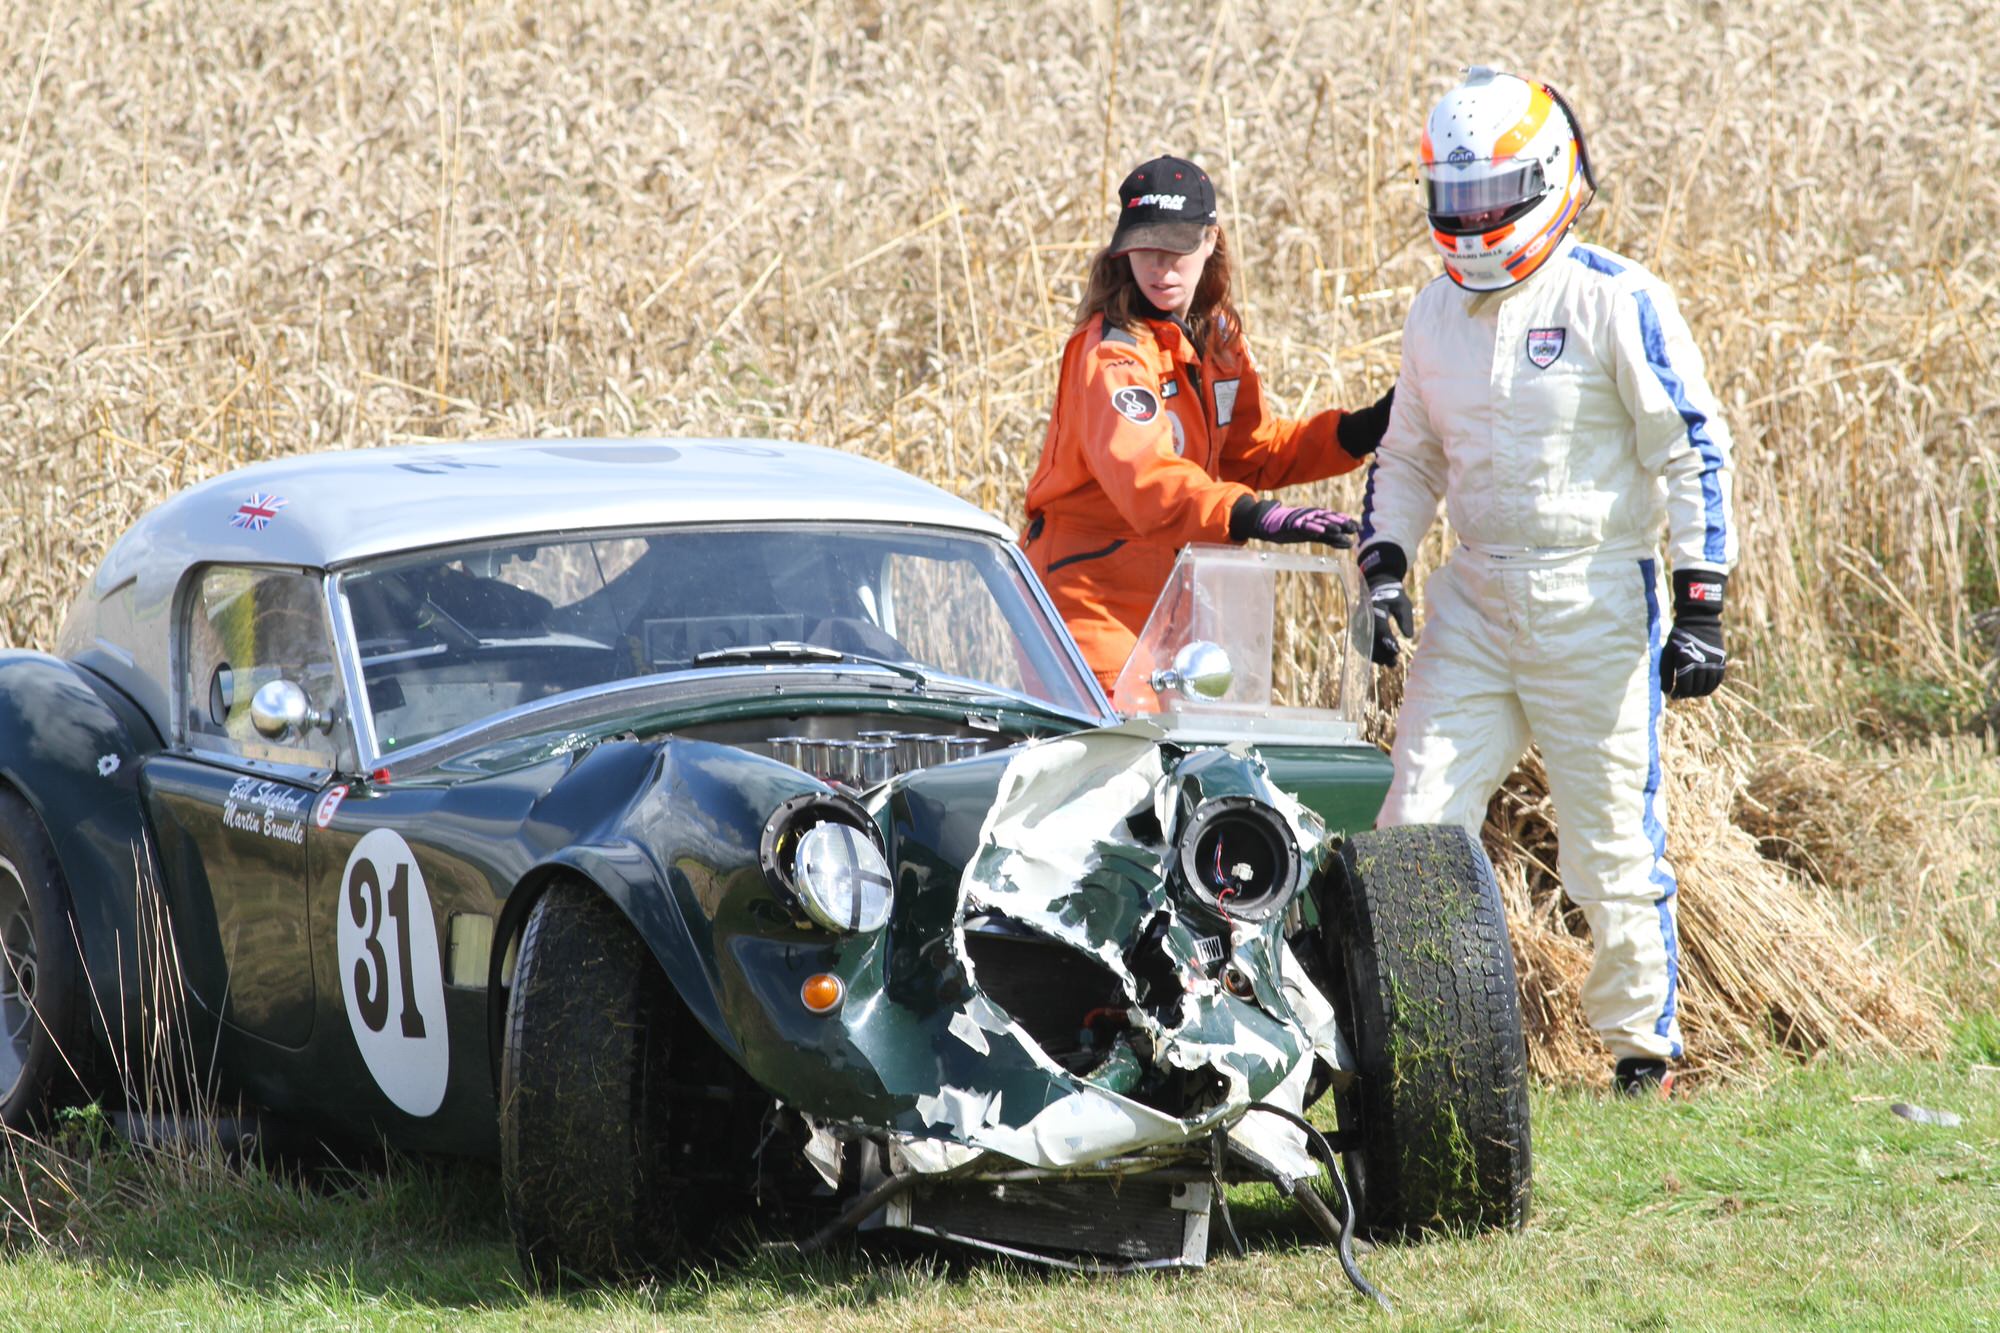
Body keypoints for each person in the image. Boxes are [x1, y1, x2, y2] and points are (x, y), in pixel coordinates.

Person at [1360, 67, 1736, 1097]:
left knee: (1608, 839)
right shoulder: (1432, 311)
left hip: (1593, 600)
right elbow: (1405, 458)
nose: (1473, 222)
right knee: (1413, 824)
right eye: (1456, 201)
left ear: (1548, 179)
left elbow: (1690, 448)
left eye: (1492, 200)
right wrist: (1383, 566)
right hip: (1472, 601)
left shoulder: (1613, 298)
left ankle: (1638, 1053)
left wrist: (1700, 598)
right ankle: (1412, 1042)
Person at [1022, 154, 1394, 689]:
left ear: (1209, 240)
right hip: (1089, 617)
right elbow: (1147, 479)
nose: (1160, 267)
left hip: (1180, 611)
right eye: (1144, 249)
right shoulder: (1111, 355)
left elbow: (1252, 454)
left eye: (1176, 248)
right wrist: (1252, 516)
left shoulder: (1215, 337)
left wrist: (1358, 432)